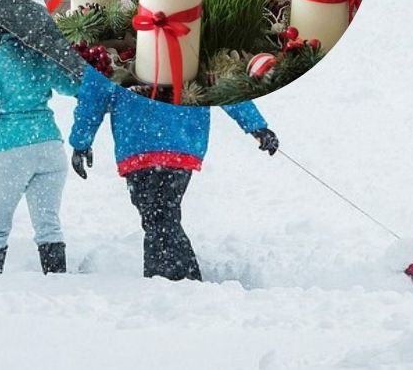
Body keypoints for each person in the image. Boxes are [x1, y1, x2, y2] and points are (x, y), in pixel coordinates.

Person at [69, 69, 279, 281]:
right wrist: (256, 127)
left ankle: (173, 282)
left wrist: (81, 142)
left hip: (138, 141)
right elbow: (223, 84)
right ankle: (180, 281)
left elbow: (93, 95)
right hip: (181, 139)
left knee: (158, 217)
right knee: (162, 215)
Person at [0, 33, 80, 274]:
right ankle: (57, 280)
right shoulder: (42, 56)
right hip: (49, 145)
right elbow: (73, 86)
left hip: (8, 149)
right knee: (48, 225)